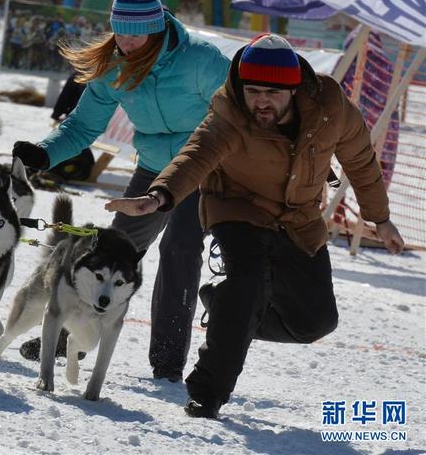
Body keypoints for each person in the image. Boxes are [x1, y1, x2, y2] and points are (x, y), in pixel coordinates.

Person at [106, 34, 404, 417]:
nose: (261, 101)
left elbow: (361, 161)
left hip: (298, 217)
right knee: (246, 282)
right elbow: (197, 154)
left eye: (272, 93)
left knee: (315, 322)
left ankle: (225, 306)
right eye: (253, 91)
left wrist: (380, 218)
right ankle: (207, 393)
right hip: (237, 207)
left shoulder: (330, 108)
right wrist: (158, 196)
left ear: (294, 90)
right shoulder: (230, 112)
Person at [12, 0, 230, 382]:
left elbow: (238, 115)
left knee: (179, 248)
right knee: (112, 252)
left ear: (157, 26)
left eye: (135, 33)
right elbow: (82, 126)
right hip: (152, 168)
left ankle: (167, 362)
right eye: (119, 31)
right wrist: (44, 155)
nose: (125, 41)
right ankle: (70, 337)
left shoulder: (200, 60)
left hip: (203, 169)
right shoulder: (114, 64)